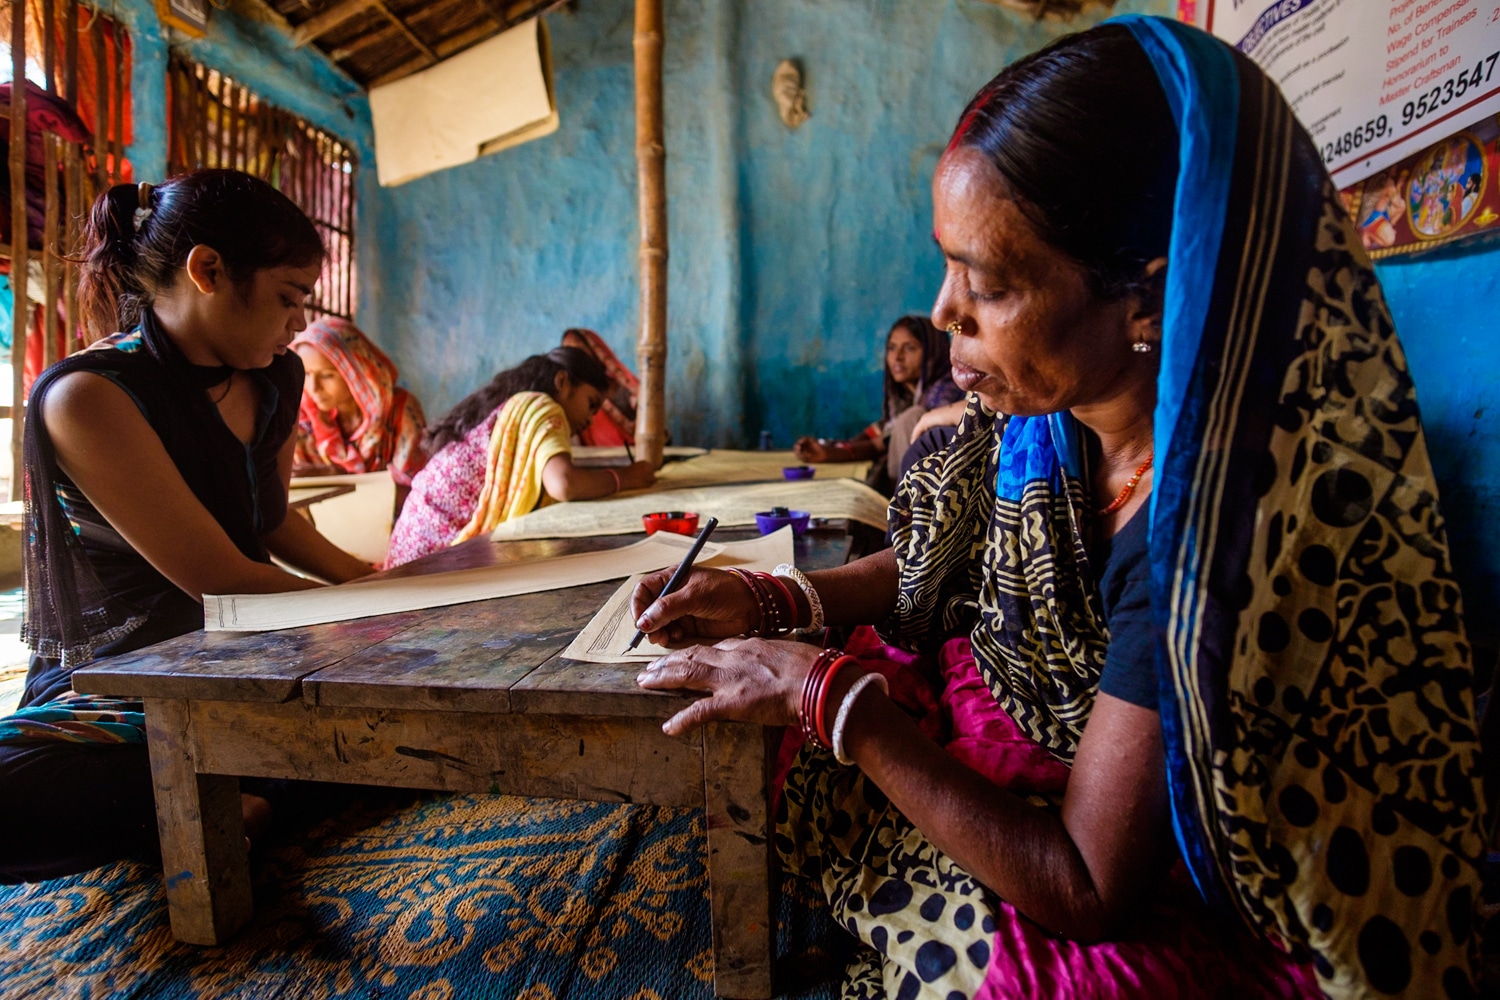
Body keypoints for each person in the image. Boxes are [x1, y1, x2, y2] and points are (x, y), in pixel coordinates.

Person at [631, 18, 1485, 1000]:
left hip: (1176, 887)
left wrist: (830, 697)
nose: (944, 311)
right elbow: (936, 582)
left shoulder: (1216, 530)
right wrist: (776, 603)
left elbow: (1088, 884)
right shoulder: (1048, 419)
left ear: (1144, 303)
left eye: (987, 285)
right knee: (783, 726)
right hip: (1045, 764)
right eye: (949, 266)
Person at [0, 170, 376, 883]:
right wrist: (375, 615)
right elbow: (222, 580)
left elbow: (268, 522)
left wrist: (372, 580)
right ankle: (246, 791)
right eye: (288, 299)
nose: (300, 323)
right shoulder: (90, 396)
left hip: (250, 651)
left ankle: (227, 797)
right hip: (130, 676)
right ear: (207, 270)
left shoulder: (272, 379)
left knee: (388, 701)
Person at [384, 347, 657, 568]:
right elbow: (564, 484)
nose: (591, 419)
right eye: (591, 403)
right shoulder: (542, 406)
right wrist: (628, 476)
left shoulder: (513, 410)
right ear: (562, 382)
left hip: (407, 554)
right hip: (429, 564)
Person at [794, 315, 963, 494]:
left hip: (944, 495)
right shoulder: (906, 398)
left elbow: (882, 443)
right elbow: (878, 432)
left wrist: (831, 453)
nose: (897, 357)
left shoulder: (946, 397)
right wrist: (828, 448)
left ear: (933, 352)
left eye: (910, 348)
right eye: (892, 348)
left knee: (911, 418)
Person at [291, 317, 429, 495]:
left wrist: (338, 478)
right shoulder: (303, 418)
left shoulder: (400, 411)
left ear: (356, 371)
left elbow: (413, 493)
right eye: (307, 375)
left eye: (326, 375)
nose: (313, 387)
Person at [560, 328, 640, 447]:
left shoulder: (625, 388)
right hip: (593, 461)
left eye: (580, 351)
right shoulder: (568, 399)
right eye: (570, 352)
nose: (576, 359)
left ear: (595, 351)